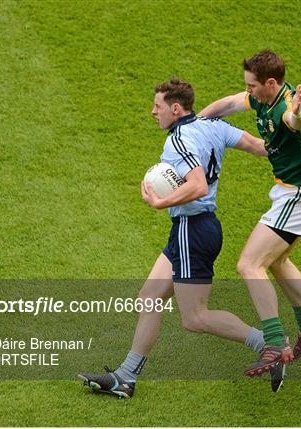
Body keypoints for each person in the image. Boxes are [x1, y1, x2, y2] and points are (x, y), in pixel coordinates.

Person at [78, 78, 286, 398]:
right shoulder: (213, 125)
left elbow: (198, 185)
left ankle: (271, 344)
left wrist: (161, 202)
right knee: (149, 296)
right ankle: (126, 377)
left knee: (195, 317)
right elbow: (259, 146)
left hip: (193, 229)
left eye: (158, 106)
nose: (153, 112)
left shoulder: (177, 142)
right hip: (193, 229)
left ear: (176, 108)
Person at [199, 50, 301, 377]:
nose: (247, 90)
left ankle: (275, 343)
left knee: (249, 264)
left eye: (252, 85)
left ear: (271, 83)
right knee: (277, 261)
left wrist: (297, 116)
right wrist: (195, 125)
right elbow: (231, 103)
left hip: (300, 196)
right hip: (299, 192)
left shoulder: (286, 109)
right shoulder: (261, 97)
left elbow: (296, 120)